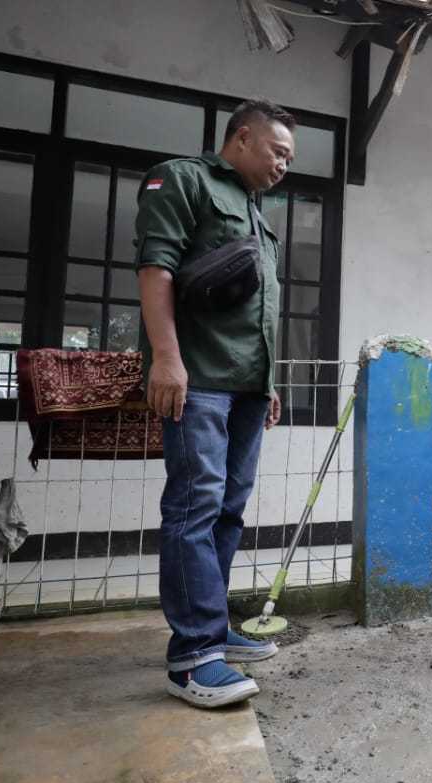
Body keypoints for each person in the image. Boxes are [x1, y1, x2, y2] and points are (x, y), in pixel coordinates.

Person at [135, 100, 296, 708]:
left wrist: (268, 382)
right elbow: (157, 270)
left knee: (228, 508)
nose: (284, 165)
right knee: (194, 505)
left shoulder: (257, 213)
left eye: (289, 158)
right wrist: (166, 358)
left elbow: (257, 312)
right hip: (196, 375)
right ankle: (190, 658)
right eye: (278, 152)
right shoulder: (182, 180)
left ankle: (213, 628)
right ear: (243, 137)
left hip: (245, 386)